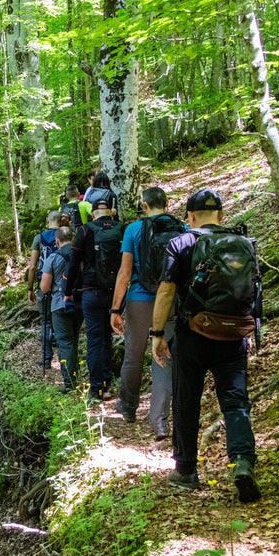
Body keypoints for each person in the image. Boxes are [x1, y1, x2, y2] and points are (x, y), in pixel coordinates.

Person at [150, 188, 262, 503]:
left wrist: (157, 334)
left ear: (191, 217)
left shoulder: (182, 243)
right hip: (233, 335)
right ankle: (242, 460)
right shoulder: (244, 244)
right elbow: (253, 291)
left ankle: (186, 469)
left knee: (186, 400)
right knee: (236, 401)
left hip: (193, 333)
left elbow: (166, 291)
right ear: (222, 216)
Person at [110, 186, 185, 440]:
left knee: (133, 353)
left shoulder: (133, 230)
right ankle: (160, 421)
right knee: (163, 356)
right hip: (170, 300)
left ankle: (128, 406)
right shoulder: (181, 229)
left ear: (144, 205)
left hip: (139, 299)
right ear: (167, 202)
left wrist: (115, 308)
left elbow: (125, 272)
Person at [65, 198, 124, 401]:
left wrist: (68, 291)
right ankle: (107, 385)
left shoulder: (85, 231)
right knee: (107, 338)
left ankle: (96, 389)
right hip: (114, 294)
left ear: (93, 215)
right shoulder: (120, 229)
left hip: (91, 292)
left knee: (95, 340)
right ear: (111, 212)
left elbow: (73, 264)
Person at [40, 226, 83, 392]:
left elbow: (44, 287)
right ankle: (75, 376)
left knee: (65, 342)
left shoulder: (52, 258)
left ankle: (70, 383)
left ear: (57, 241)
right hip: (79, 303)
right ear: (72, 239)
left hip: (59, 303)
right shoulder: (81, 255)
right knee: (73, 339)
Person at [27, 211, 61, 369]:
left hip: (44, 283)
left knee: (45, 321)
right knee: (61, 320)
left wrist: (30, 288)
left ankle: (46, 358)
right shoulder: (66, 235)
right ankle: (64, 360)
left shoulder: (39, 238)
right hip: (63, 283)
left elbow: (33, 265)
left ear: (47, 220)